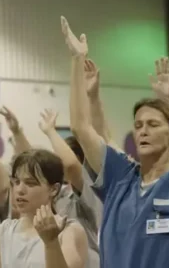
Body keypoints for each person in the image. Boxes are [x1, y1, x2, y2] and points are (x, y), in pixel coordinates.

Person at [62, 8, 169, 268]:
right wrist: (77, 60)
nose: (143, 130)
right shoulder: (120, 177)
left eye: (153, 124)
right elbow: (80, 127)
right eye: (138, 125)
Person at [0, 149, 88, 268]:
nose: (20, 190)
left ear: (54, 189)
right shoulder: (3, 231)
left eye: (30, 183)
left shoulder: (69, 230)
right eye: (16, 182)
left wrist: (51, 242)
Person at [39, 108, 101, 267]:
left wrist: (50, 132)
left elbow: (71, 165)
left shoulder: (89, 190)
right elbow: (33, 173)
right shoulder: (57, 193)